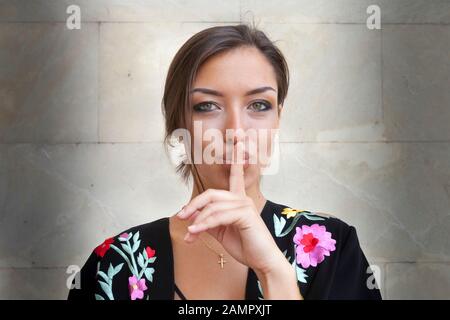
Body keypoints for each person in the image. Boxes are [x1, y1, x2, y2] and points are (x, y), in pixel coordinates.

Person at [67, 24, 382, 300]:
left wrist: (274, 272)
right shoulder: (114, 264)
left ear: (277, 120)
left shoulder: (332, 248)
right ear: (179, 124)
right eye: (207, 106)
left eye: (259, 105)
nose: (236, 131)